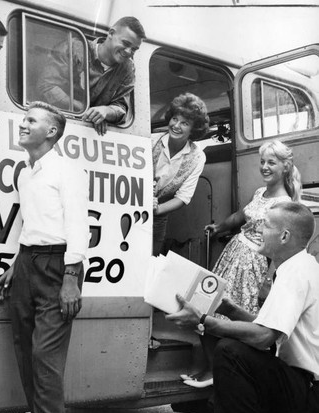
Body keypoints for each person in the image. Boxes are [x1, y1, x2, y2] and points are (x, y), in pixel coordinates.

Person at [166, 201, 319, 413]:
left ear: (285, 236)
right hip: (310, 390)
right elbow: (271, 324)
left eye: (266, 225)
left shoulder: (294, 274)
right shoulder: (302, 266)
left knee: (231, 352)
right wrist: (231, 310)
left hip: (311, 394)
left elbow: (263, 337)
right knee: (243, 349)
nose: (259, 230)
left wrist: (203, 321)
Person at [0, 101, 89, 413]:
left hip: (58, 268)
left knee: (44, 364)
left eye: (31, 120)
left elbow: (77, 225)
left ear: (51, 132)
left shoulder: (66, 170)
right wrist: (15, 266)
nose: (23, 122)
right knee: (27, 361)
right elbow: (31, 225)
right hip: (29, 265)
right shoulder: (26, 173)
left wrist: (71, 277)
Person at [181, 140, 302, 387]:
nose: (265, 167)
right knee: (205, 305)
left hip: (253, 266)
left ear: (285, 167)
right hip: (233, 255)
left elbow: (280, 248)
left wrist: (268, 280)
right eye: (263, 162)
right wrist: (220, 226)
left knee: (229, 315)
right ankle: (210, 367)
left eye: (272, 162)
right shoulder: (260, 193)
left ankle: (218, 373)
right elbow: (240, 216)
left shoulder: (285, 203)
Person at [38, 17, 146, 135]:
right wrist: (86, 111)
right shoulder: (75, 48)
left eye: (134, 49)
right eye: (125, 43)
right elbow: (47, 86)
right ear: (111, 33)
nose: (128, 52)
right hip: (52, 124)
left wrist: (106, 112)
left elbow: (121, 107)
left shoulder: (128, 68)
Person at [152, 93, 209, 256]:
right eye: (175, 119)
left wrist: (156, 210)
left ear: (194, 129)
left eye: (184, 123)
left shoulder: (197, 157)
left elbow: (183, 198)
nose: (176, 126)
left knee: (149, 263)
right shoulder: (150, 140)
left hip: (158, 217)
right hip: (129, 210)